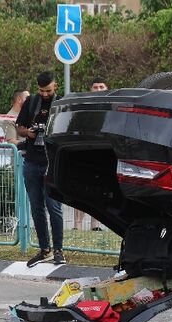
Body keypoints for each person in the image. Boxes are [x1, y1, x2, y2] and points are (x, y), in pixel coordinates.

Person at [16, 71, 65, 267]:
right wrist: (28, 132)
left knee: (54, 207)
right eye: (42, 91)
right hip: (31, 162)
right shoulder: (32, 102)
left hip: (51, 163)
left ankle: (59, 250)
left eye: (49, 90)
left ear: (56, 86)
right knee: (36, 207)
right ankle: (44, 249)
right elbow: (19, 127)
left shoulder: (62, 103)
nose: (45, 94)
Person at [73, 79, 108, 231]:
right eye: (95, 87)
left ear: (107, 89)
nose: (98, 89)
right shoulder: (84, 106)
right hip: (85, 151)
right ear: (90, 89)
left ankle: (96, 225)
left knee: (99, 189)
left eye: (101, 87)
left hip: (103, 152)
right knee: (80, 189)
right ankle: (77, 226)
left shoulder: (109, 107)